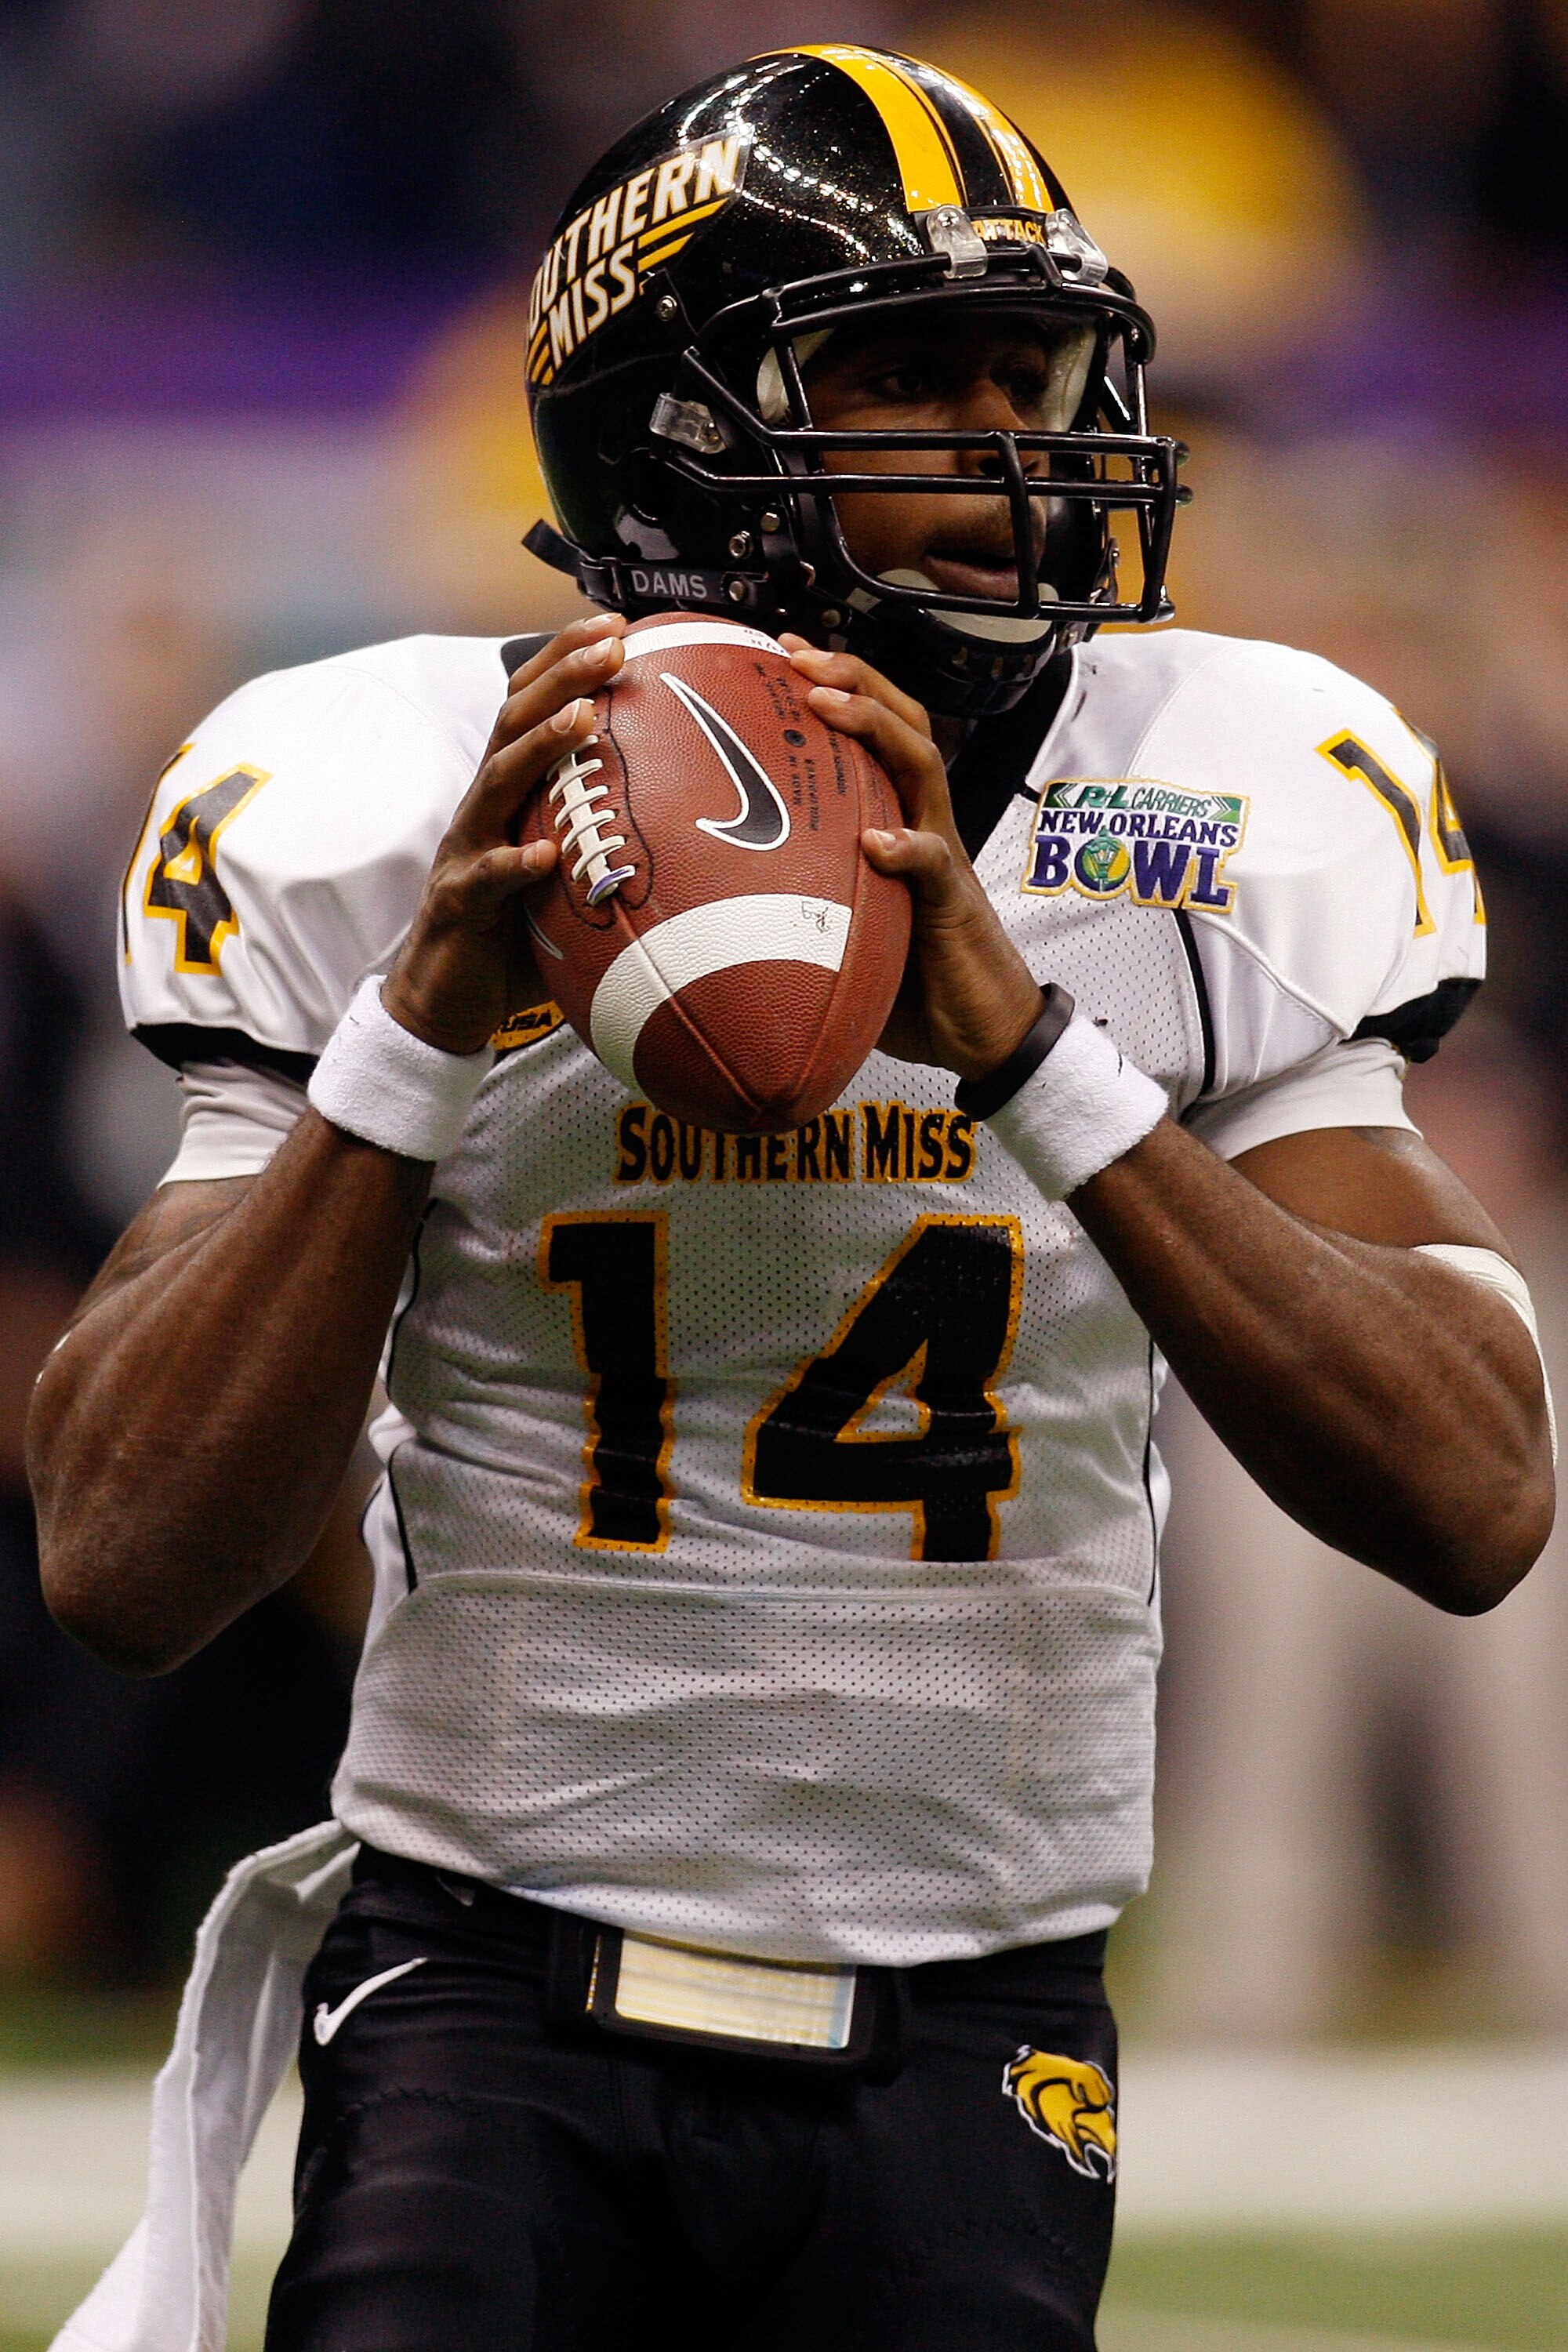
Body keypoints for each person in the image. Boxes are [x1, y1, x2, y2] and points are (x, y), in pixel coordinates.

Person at [29, 45, 1555, 2352]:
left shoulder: (1213, 796)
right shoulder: (392, 800)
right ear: (673, 433)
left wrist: (1042, 1064)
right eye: (907, 380)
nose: (1021, 461)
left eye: (1031, 380)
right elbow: (126, 1557)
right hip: (485, 1990)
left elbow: (1474, 1489)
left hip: (978, 2018)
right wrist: (425, 1022)